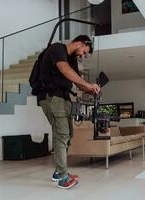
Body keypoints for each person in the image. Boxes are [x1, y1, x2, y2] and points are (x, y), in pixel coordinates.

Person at [38, 35, 100, 189]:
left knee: (68, 135)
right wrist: (87, 84)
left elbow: (77, 83)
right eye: (84, 52)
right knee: (62, 134)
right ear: (79, 43)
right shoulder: (57, 49)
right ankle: (62, 176)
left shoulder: (71, 59)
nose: (83, 56)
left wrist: (91, 89)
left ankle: (58, 172)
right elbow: (64, 70)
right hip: (51, 96)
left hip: (64, 98)